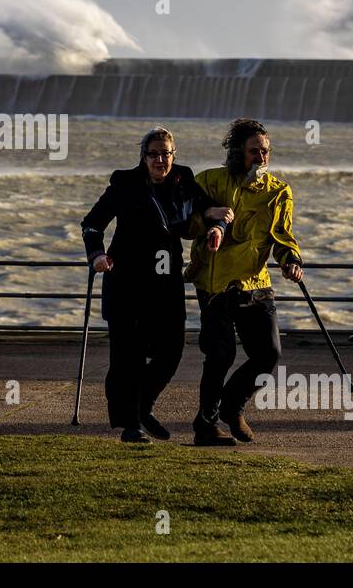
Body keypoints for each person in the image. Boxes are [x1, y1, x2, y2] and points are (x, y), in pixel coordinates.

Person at [81, 127, 228, 443]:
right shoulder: (124, 184)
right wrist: (96, 255)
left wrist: (217, 223)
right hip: (126, 283)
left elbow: (204, 209)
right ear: (143, 156)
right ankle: (131, 424)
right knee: (128, 356)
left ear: (174, 155)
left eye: (166, 153)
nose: (161, 160)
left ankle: (142, 406)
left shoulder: (184, 179)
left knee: (171, 350)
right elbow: (91, 224)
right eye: (154, 154)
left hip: (167, 283)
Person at [184, 119, 303, 446]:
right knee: (220, 355)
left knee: (269, 354)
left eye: (265, 151)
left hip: (256, 283)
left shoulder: (279, 191)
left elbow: (283, 237)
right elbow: (186, 222)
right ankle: (205, 427)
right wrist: (209, 218)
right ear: (237, 152)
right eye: (254, 152)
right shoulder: (209, 180)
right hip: (215, 284)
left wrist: (291, 260)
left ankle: (232, 407)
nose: (261, 158)